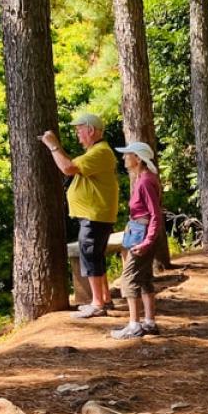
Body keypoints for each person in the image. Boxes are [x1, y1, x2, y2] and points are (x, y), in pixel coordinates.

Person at [39, 112, 119, 318]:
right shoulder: (96, 152)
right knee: (96, 257)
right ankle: (104, 298)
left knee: (90, 257)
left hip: (94, 216)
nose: (77, 134)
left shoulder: (100, 152)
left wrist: (53, 146)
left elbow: (67, 168)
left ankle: (97, 303)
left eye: (79, 130)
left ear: (91, 130)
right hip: (94, 215)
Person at [110, 141, 163, 339]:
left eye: (127, 155)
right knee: (144, 278)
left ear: (138, 158)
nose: (124, 158)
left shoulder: (145, 181)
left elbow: (155, 214)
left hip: (142, 233)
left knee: (129, 278)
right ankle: (149, 322)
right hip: (140, 231)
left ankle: (134, 325)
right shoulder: (145, 178)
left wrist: (147, 241)